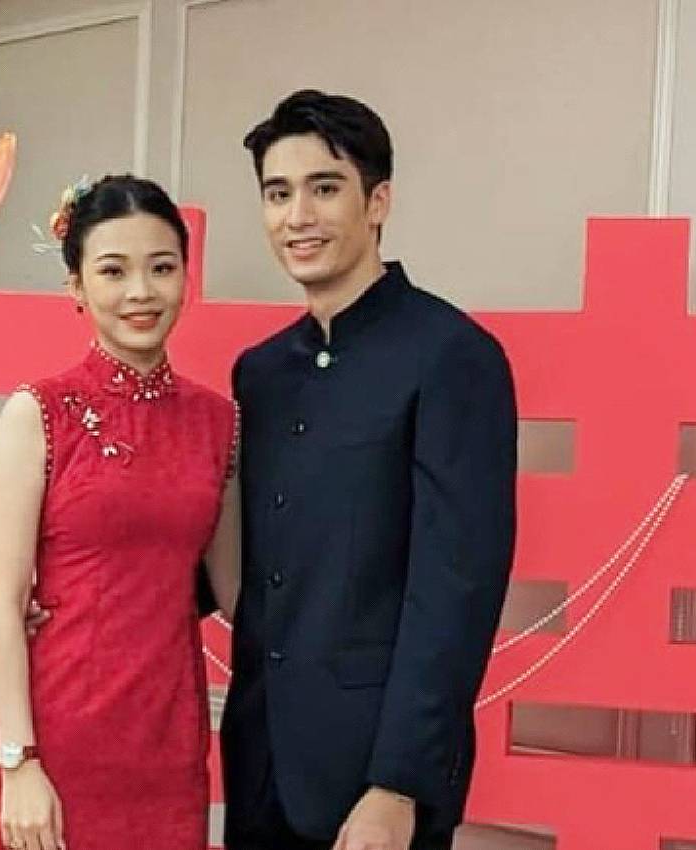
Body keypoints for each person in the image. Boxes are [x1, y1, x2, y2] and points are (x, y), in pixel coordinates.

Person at [221, 89, 518, 850]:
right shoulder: (261, 372)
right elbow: (251, 561)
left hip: (375, 783)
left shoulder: (452, 355)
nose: (298, 217)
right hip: (260, 762)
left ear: (377, 201)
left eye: (324, 189)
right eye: (278, 194)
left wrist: (400, 783)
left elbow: (456, 590)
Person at [0, 175, 241, 850]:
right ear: (76, 286)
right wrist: (19, 762)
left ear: (186, 276)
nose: (140, 292)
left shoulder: (218, 422)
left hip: (168, 743)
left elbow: (237, 593)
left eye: (162, 268)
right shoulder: (37, 414)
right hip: (54, 743)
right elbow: (3, 605)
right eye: (113, 271)